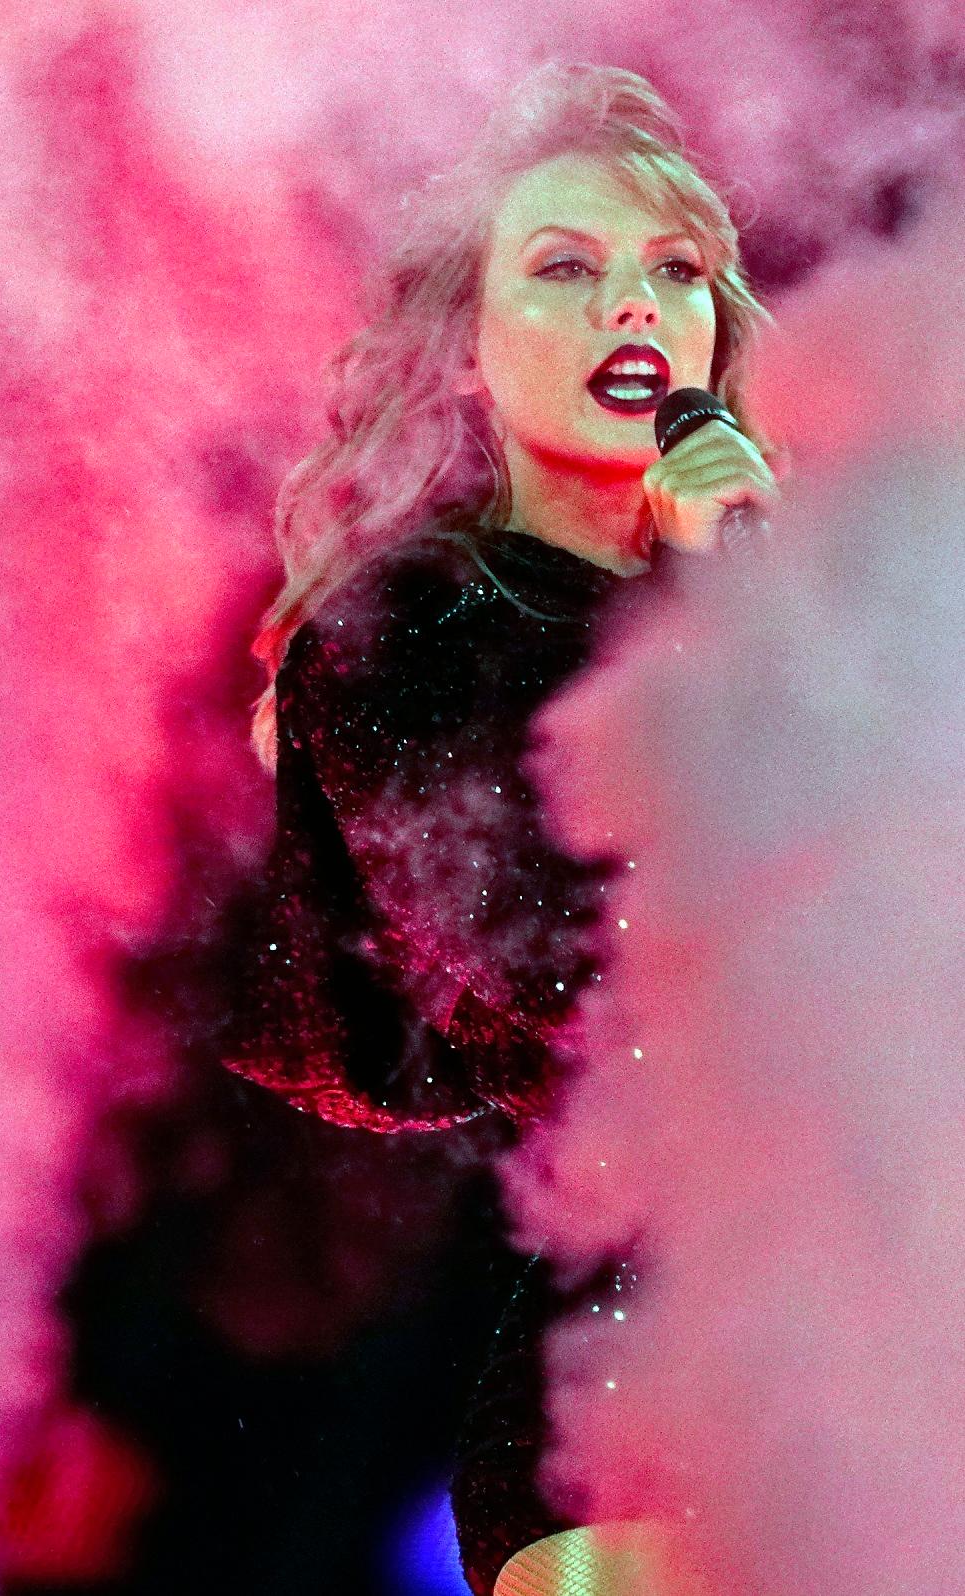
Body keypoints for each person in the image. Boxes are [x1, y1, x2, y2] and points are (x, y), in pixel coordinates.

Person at [222, 60, 784, 1595]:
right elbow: (573, 946)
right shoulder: (400, 635)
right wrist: (715, 600)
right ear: (465, 350)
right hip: (633, 1401)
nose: (635, 308)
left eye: (676, 271)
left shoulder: (835, 596)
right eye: (564, 267)